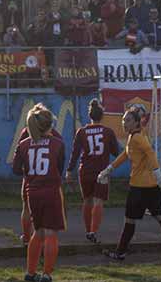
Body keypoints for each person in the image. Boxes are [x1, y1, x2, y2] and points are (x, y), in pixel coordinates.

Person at [97, 107, 161, 264]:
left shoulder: (137, 137)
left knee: (130, 221)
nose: (124, 122)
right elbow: (126, 154)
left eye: (128, 120)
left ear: (137, 123)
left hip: (139, 187)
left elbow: (150, 152)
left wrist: (159, 175)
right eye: (123, 119)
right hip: (151, 186)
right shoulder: (135, 136)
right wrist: (108, 169)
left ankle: (120, 253)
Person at [12, 105, 66, 282]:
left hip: (32, 191)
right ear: (50, 125)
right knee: (51, 233)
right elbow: (59, 168)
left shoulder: (24, 144)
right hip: (51, 190)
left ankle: (30, 272)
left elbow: (15, 169)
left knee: (38, 231)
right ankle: (47, 274)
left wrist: (30, 172)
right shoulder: (57, 143)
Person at [66, 100, 118, 244]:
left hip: (86, 170)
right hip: (102, 171)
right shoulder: (108, 132)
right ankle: (93, 231)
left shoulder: (81, 132)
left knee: (87, 200)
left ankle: (88, 229)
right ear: (102, 116)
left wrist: (69, 170)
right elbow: (115, 152)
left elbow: (75, 153)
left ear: (89, 116)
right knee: (98, 201)